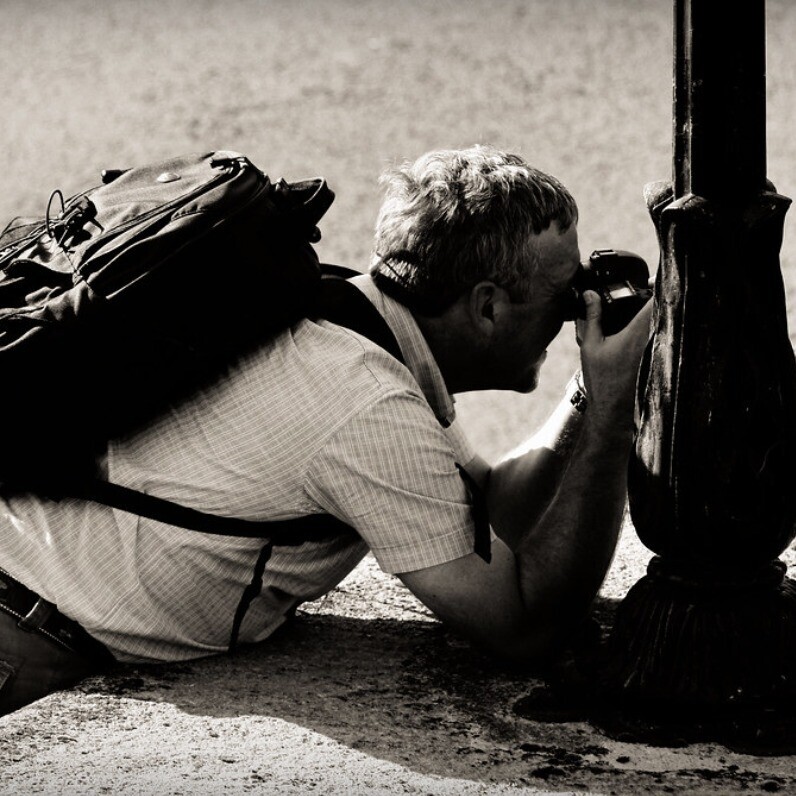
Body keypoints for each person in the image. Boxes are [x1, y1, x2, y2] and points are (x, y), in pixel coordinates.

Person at [0, 144, 652, 715]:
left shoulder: (350, 319)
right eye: (565, 297)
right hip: (21, 632)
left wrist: (590, 395)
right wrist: (615, 423)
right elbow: (523, 629)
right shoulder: (364, 404)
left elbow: (483, 518)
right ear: (487, 306)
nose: (575, 317)